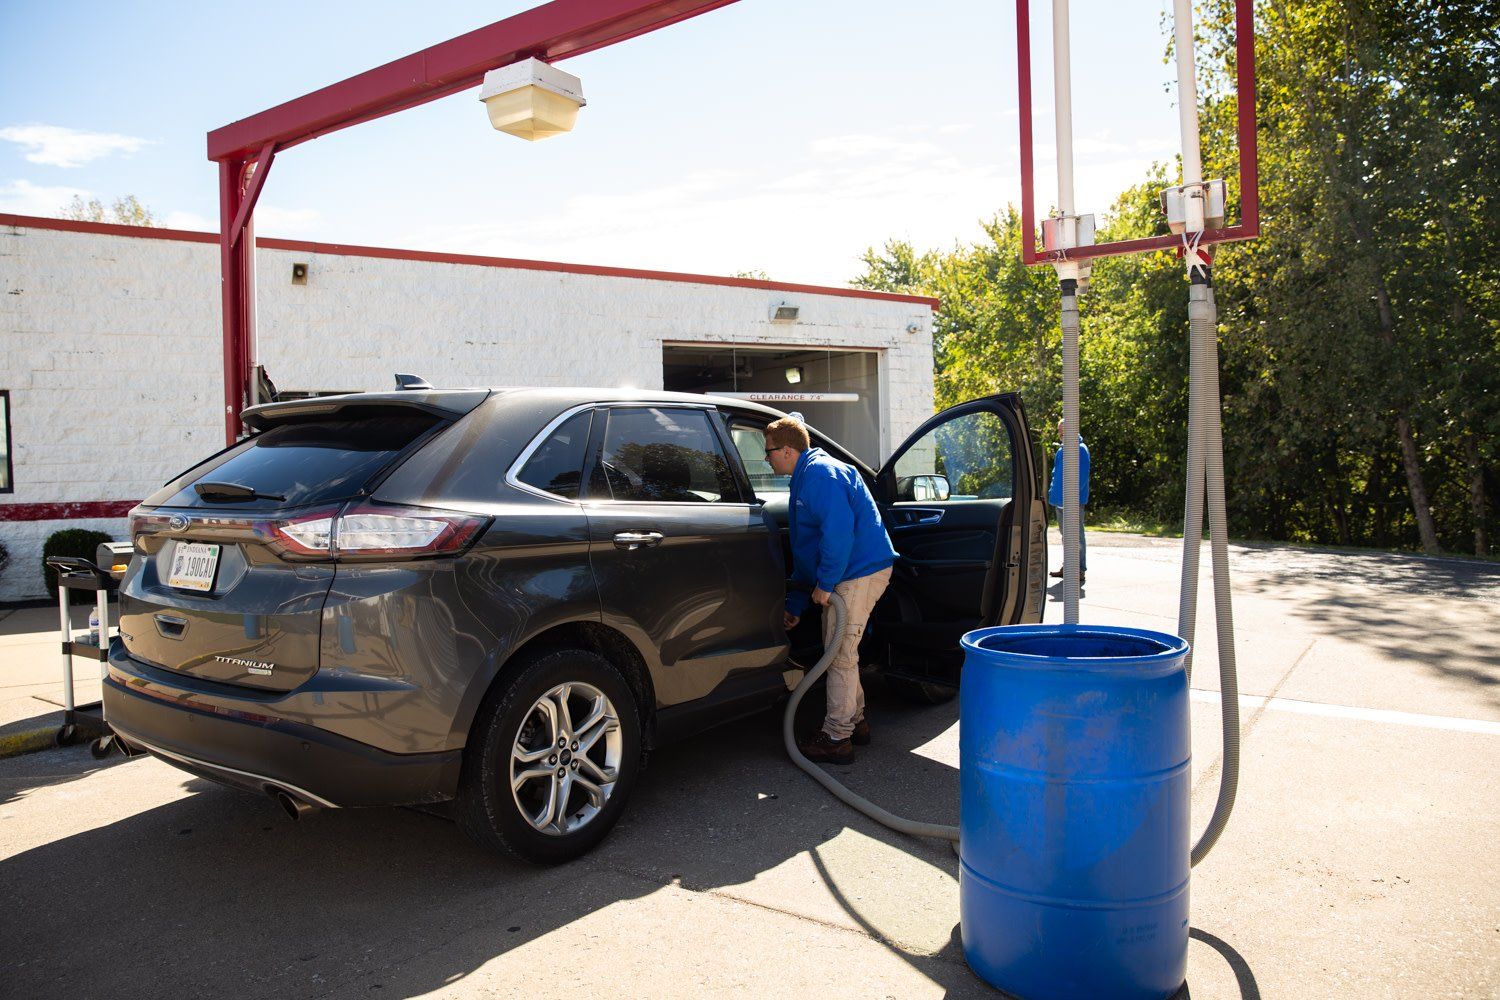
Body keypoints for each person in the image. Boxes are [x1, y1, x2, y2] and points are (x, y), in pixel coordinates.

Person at [766, 416, 897, 765]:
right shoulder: (806, 476)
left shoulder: (821, 475)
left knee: (838, 653)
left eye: (770, 452)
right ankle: (856, 722)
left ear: (788, 451)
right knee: (843, 650)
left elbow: (839, 536)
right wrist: (796, 601)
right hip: (849, 571)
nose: (767, 458)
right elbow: (808, 549)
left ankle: (837, 737)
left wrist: (825, 585)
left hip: (858, 572)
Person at [1049, 418, 1091, 584]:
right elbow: (1055, 473)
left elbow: (1081, 476)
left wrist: (1071, 498)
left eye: (1063, 432)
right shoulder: (1061, 451)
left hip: (1072, 502)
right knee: (1066, 537)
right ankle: (1068, 566)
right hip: (1059, 501)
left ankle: (1079, 569)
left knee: (1076, 537)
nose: (1060, 435)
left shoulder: (1081, 450)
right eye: (1059, 432)